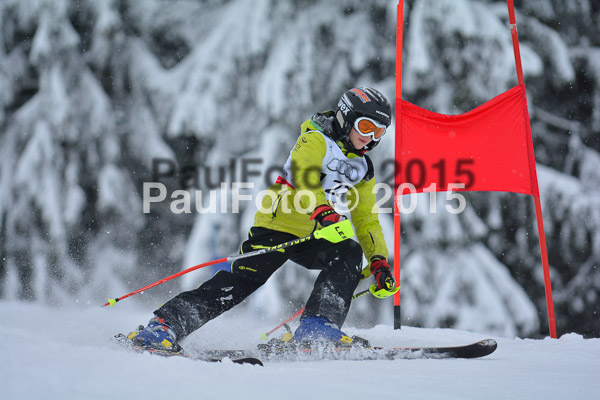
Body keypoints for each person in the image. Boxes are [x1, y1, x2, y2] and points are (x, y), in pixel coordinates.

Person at [128, 87, 397, 351]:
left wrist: (378, 261)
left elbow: (367, 218)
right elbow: (304, 177)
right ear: (345, 118)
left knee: (349, 253)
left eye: (379, 132)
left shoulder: (363, 168)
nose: (370, 138)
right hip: (277, 226)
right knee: (243, 281)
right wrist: (324, 211)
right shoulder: (315, 140)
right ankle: (165, 324)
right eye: (365, 127)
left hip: (313, 235)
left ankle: (317, 327)